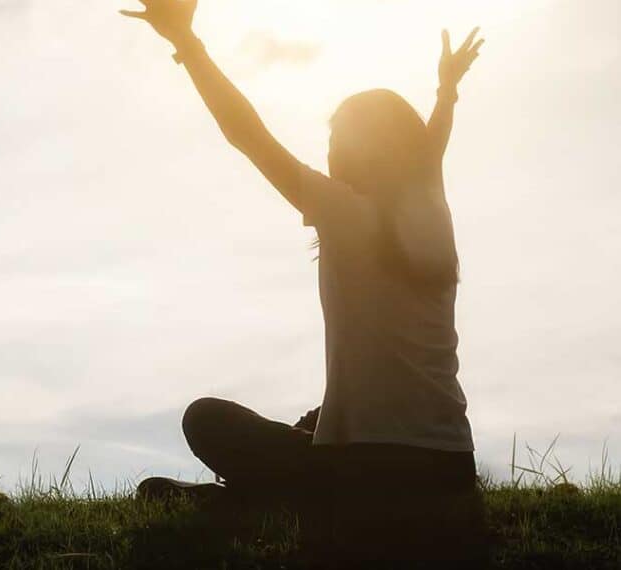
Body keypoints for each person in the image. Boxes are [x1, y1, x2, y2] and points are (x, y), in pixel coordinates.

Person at [121, 0, 487, 563]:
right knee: (317, 421)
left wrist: (189, 46)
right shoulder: (432, 213)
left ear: (368, 148)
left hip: (367, 470)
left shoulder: (342, 212)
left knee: (206, 418)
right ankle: (255, 491)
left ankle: (245, 498)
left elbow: (246, 134)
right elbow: (429, 150)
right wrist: (446, 93)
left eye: (340, 134)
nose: (331, 146)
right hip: (449, 466)